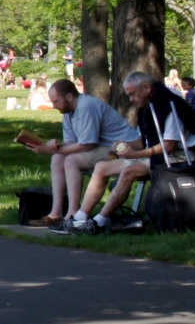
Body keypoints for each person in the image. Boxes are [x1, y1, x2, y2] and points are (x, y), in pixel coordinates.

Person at [65, 72, 195, 235]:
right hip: (157, 155)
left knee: (130, 171)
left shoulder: (168, 106)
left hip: (176, 159)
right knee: (101, 167)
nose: (131, 99)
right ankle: (79, 218)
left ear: (146, 88)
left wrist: (135, 155)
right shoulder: (148, 107)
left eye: (132, 94)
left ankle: (98, 221)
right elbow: (144, 141)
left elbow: (168, 146)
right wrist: (125, 146)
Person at [30, 79, 139, 231]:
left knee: (72, 161)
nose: (53, 106)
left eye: (56, 101)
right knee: (57, 158)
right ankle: (56, 213)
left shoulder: (86, 107)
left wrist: (51, 149)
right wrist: (54, 146)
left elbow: (87, 145)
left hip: (124, 148)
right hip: (104, 147)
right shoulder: (68, 112)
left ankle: (73, 214)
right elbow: (71, 142)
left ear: (69, 97)